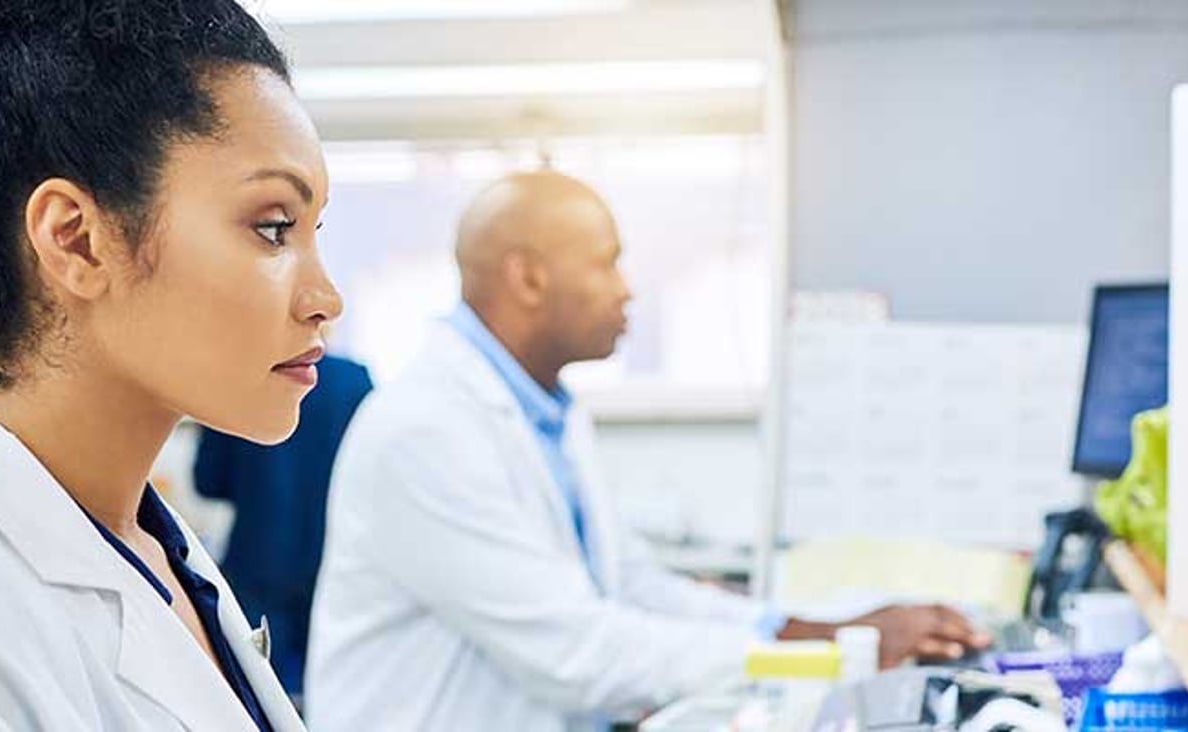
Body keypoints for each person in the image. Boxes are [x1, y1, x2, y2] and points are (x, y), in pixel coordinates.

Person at [307, 171, 990, 731]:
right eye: (608, 262)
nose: (628, 288)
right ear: (529, 278)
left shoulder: (544, 411)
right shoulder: (428, 428)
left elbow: (629, 585)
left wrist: (807, 625)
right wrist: (827, 650)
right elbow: (578, 652)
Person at [0, 2, 340, 730]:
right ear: (76, 241)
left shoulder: (150, 546)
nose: (326, 297)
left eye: (312, 230)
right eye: (272, 229)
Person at [194, 353, 374, 698]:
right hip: (332, 565)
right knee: (334, 698)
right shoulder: (355, 383)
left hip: (257, 566)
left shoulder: (236, 381)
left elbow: (208, 481)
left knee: (254, 698)